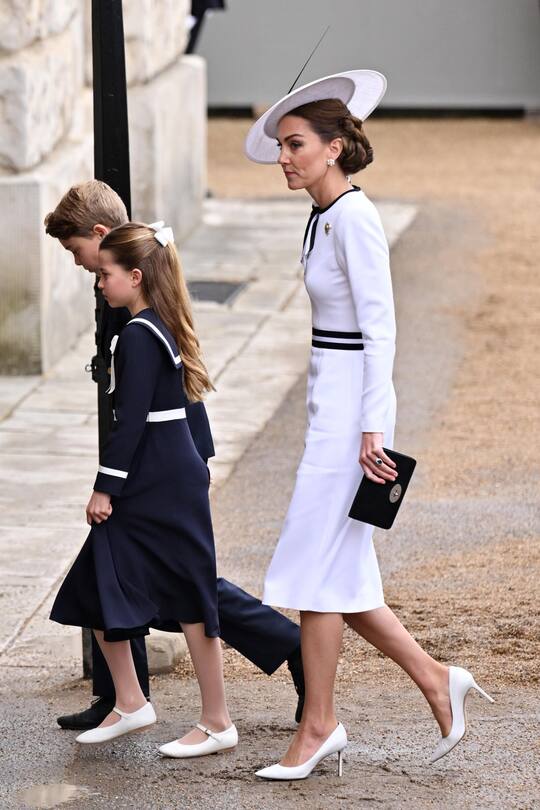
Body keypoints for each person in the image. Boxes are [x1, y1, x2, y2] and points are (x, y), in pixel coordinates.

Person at [244, 70, 494, 780]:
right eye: (283, 145)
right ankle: (434, 678)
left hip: (354, 414)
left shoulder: (355, 217)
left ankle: (320, 723)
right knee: (341, 577)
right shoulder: (320, 215)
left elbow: (381, 329)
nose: (285, 157)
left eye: (296, 144)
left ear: (335, 148)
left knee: (314, 572)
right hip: (332, 401)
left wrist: (372, 429)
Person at [44, 182, 304, 732]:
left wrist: (118, 479)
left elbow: (149, 399)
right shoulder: (130, 282)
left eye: (78, 255)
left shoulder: (134, 295)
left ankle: (282, 654)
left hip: (164, 456)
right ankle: (125, 699)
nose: (82, 269)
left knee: (187, 587)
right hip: (154, 455)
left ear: (101, 239)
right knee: (126, 575)